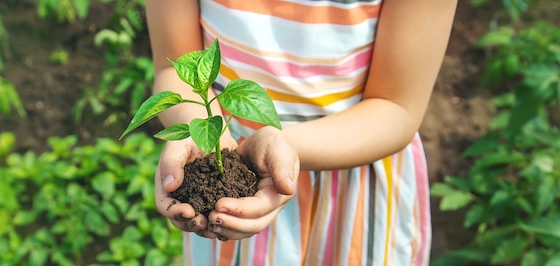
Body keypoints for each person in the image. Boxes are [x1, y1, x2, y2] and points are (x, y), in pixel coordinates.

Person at [146, 0, 457, 265]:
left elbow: (396, 105)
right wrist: (199, 127)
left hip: (352, 170)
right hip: (229, 178)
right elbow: (175, 66)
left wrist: (286, 145)